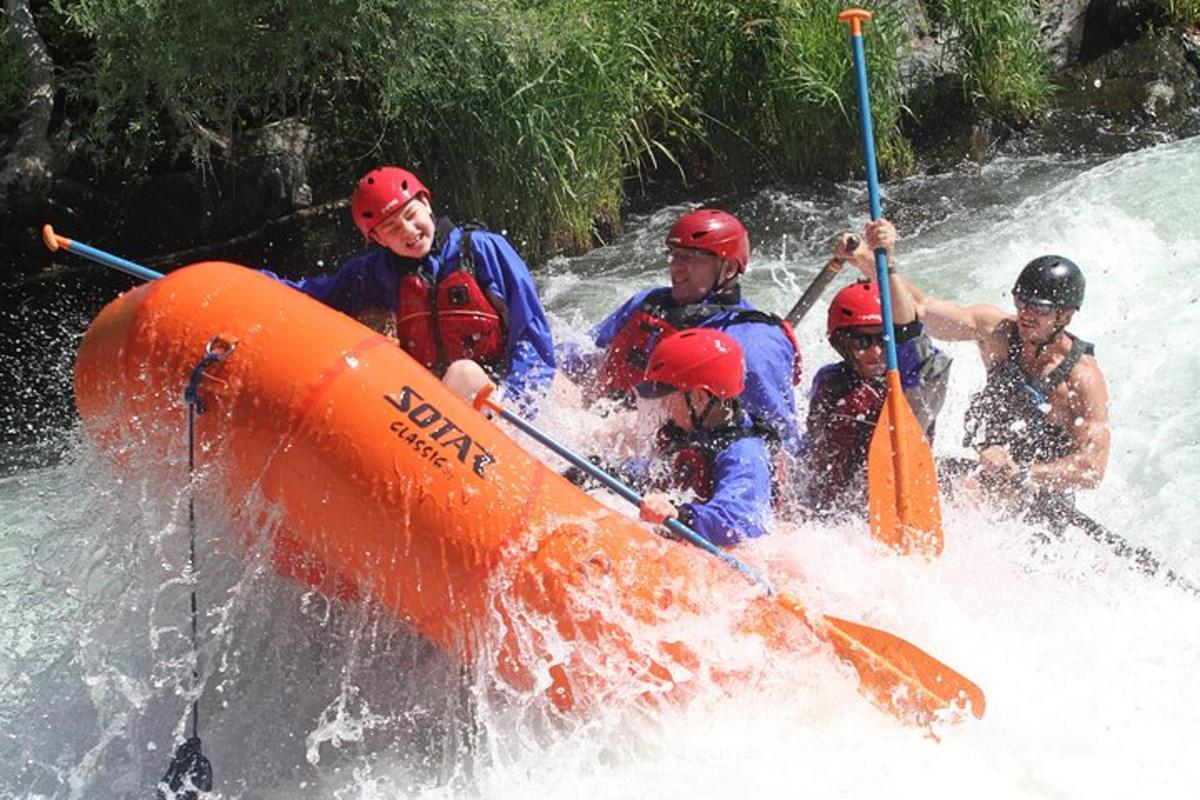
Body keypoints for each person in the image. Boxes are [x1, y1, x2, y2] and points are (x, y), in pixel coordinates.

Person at [266, 166, 556, 411]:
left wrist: (520, 404)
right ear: (378, 239)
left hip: (500, 391)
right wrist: (246, 279)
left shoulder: (484, 249)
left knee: (462, 373)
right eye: (391, 228)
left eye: (410, 214)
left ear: (426, 203)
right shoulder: (372, 272)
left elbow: (532, 337)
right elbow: (311, 296)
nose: (408, 230)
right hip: (432, 406)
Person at [561, 208, 802, 453]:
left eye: (690, 258)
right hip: (601, 423)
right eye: (675, 256)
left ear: (728, 269)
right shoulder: (648, 303)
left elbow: (778, 443)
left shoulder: (753, 344)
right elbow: (581, 355)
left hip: (668, 455)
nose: (675, 267)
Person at [914, 255, 1110, 513]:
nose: (1026, 315)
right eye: (1022, 303)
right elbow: (920, 309)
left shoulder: (1082, 378)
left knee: (964, 491)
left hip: (1040, 502)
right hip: (988, 480)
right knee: (919, 473)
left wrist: (1022, 470)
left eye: (1039, 309)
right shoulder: (999, 334)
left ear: (1065, 316)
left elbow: (1092, 469)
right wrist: (873, 260)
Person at [801, 219, 952, 516]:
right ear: (841, 343)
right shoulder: (828, 381)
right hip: (829, 513)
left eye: (883, 340)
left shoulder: (912, 386)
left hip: (890, 509)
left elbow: (909, 330)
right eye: (860, 341)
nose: (875, 352)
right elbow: (813, 452)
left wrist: (890, 262)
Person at [632, 328, 776, 547]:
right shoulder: (687, 430)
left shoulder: (745, 451)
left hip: (731, 556)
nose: (662, 404)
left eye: (667, 396)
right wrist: (612, 470)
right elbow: (656, 471)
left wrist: (681, 516)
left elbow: (739, 519)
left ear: (698, 396)